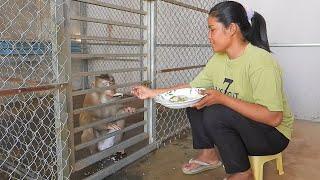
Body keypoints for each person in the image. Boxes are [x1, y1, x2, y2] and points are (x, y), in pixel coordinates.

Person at [131, 1, 294, 180]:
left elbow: (273, 117)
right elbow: (192, 87)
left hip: (272, 136)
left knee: (216, 112)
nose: (209, 36)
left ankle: (242, 172)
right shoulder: (219, 59)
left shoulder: (260, 62)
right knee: (195, 100)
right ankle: (209, 156)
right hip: (248, 126)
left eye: (212, 29)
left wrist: (223, 99)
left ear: (231, 28)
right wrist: (152, 92)